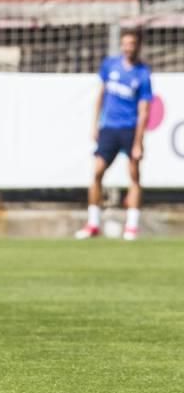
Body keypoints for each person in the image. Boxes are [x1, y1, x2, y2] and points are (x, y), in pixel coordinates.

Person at [75, 28, 152, 241]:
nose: (128, 48)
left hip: (129, 128)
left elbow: (144, 110)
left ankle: (132, 226)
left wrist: (139, 141)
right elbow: (101, 95)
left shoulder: (143, 73)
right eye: (125, 43)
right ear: (122, 45)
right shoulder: (110, 66)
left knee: (134, 175)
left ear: (138, 46)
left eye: (132, 44)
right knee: (97, 172)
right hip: (109, 127)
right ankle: (93, 223)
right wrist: (95, 125)